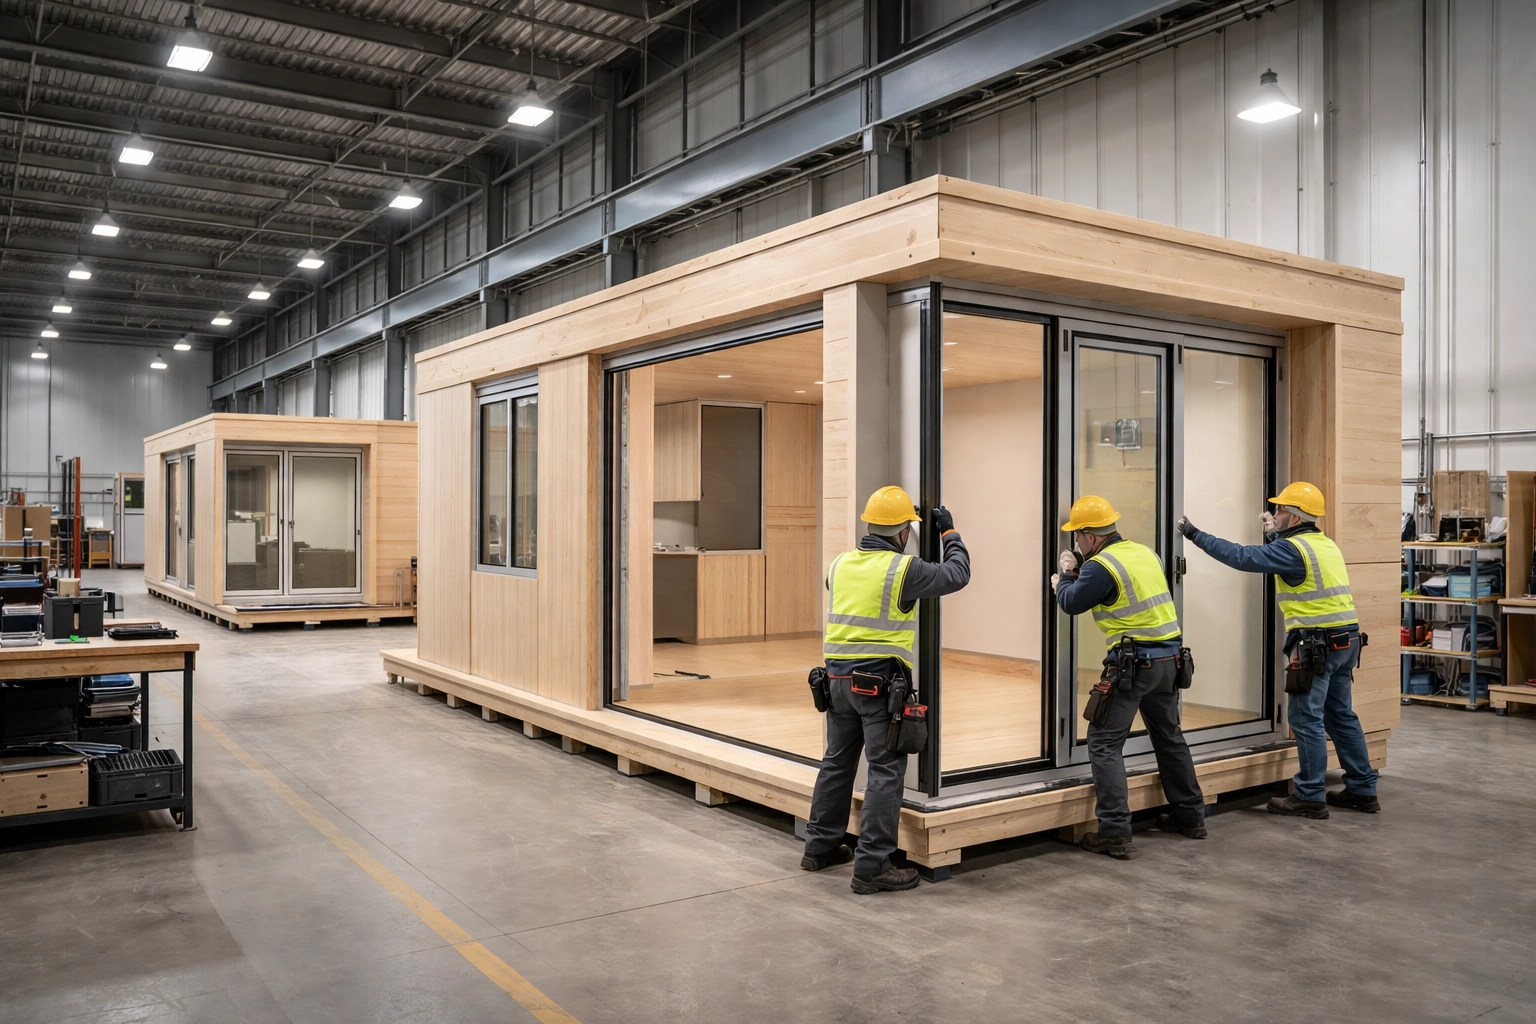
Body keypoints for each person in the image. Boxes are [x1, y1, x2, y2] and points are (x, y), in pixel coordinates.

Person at [801, 485, 970, 894]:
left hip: (836, 682)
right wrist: (950, 535)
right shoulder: (902, 569)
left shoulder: (839, 564)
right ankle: (872, 865)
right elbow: (957, 575)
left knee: (837, 762)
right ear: (902, 533)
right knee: (885, 770)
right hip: (877, 687)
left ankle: (820, 847)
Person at [1177, 481, 1379, 819]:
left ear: (1297, 518)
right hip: (1346, 641)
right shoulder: (1323, 544)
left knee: (1306, 719)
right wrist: (1274, 534)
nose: (1276, 514)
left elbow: (1242, 557)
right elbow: (1292, 562)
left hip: (1318, 645)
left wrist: (1195, 534)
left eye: (1282, 510)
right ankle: (1362, 788)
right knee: (1340, 716)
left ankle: (1310, 796)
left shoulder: (1294, 549)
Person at [1054, 495, 1206, 860]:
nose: (1076, 543)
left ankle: (1115, 832)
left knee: (1104, 743)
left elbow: (1072, 603)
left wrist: (1064, 578)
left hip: (1133, 667)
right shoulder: (1145, 553)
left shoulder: (1100, 566)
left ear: (1090, 537)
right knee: (1169, 736)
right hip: (1170, 661)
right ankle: (1191, 816)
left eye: (1077, 537)